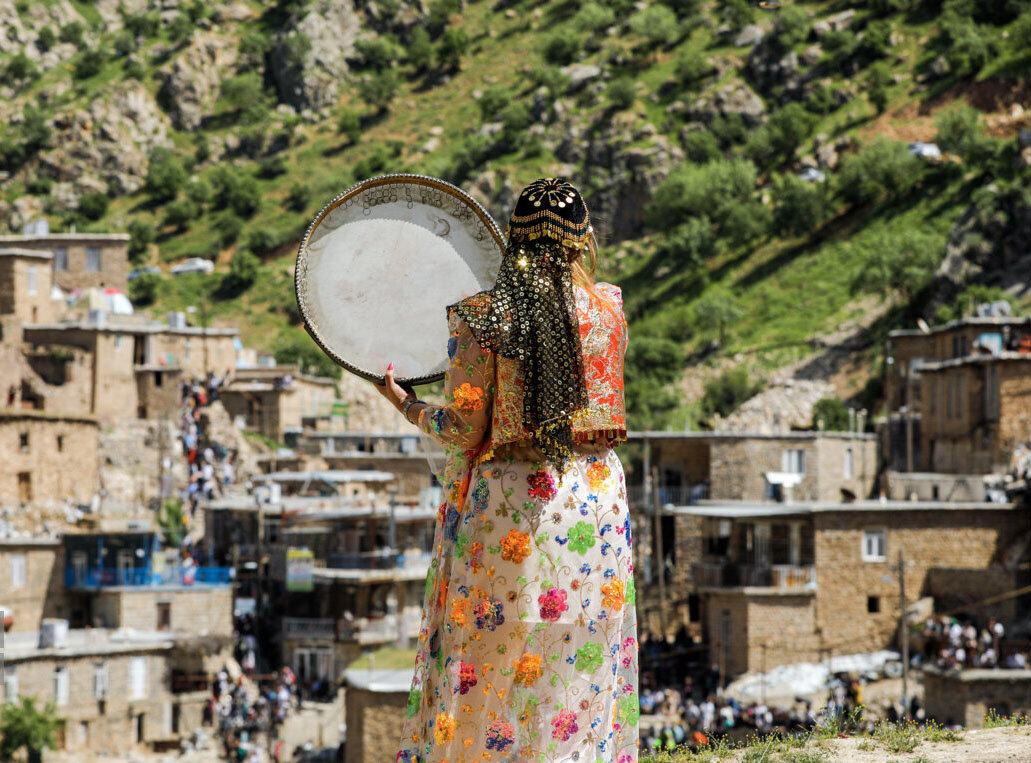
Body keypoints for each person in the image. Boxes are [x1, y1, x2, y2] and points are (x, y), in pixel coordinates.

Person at [381, 179, 635, 761]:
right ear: (585, 240)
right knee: (580, 651)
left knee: (494, 657)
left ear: (510, 239)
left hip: (513, 507)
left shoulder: (482, 318)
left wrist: (406, 403)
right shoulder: (610, 309)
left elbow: (464, 429)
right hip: (594, 500)